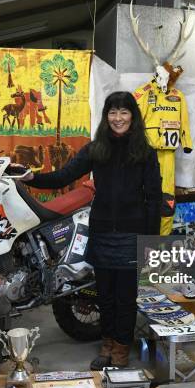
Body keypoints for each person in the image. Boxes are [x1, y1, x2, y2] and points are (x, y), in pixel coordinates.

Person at [20, 91, 162, 370]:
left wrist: (150, 243)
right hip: (102, 233)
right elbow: (63, 176)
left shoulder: (145, 153)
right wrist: (32, 177)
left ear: (132, 117)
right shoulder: (95, 149)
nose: (117, 118)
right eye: (112, 112)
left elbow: (154, 199)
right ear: (106, 116)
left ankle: (121, 349)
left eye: (123, 112)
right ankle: (107, 345)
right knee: (105, 296)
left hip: (132, 235)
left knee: (125, 298)